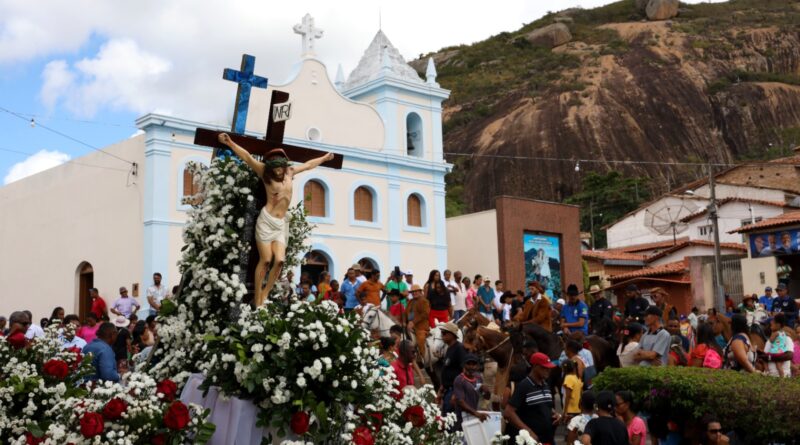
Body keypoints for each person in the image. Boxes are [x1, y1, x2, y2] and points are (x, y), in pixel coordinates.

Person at [217, 132, 333, 305]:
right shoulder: (265, 173)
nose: (278, 171)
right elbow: (248, 157)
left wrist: (324, 158)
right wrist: (230, 143)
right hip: (266, 221)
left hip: (280, 224)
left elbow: (309, 165)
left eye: (280, 168)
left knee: (279, 261)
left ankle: (264, 294)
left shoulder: (290, 172)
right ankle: (258, 299)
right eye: (275, 169)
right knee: (265, 260)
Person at [504, 352, 560, 444]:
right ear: (535, 366)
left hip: (547, 439)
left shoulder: (546, 385)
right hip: (532, 441)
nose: (548, 370)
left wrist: (556, 415)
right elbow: (508, 413)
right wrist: (528, 432)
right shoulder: (524, 386)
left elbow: (546, 406)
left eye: (549, 368)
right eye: (544, 368)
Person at [452, 353, 491, 430]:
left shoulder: (478, 377)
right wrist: (477, 414)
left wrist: (487, 391)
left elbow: (486, 397)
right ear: (463, 365)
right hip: (462, 417)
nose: (471, 366)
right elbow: (460, 401)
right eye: (468, 364)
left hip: (474, 415)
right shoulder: (459, 380)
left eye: (473, 364)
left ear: (477, 366)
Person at [438, 322, 467, 416]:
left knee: (451, 421)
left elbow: (464, 371)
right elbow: (447, 369)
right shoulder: (449, 348)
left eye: (444, 333)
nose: (442, 335)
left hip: (454, 391)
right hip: (447, 390)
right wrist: (441, 389)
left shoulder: (459, 348)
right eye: (442, 333)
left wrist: (457, 393)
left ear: (452, 335)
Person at [763, 312, 794, 377]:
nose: (771, 322)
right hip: (770, 378)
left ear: (778, 325)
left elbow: (789, 356)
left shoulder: (787, 339)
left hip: (784, 379)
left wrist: (770, 357)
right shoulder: (769, 341)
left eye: (773, 321)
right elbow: (764, 357)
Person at [404, 284, 430, 358]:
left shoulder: (424, 301)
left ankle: (421, 358)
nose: (414, 293)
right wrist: (403, 322)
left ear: (420, 292)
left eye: (416, 291)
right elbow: (405, 313)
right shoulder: (410, 302)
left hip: (421, 328)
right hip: (409, 326)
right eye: (412, 292)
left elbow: (425, 314)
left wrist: (413, 322)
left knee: (420, 339)